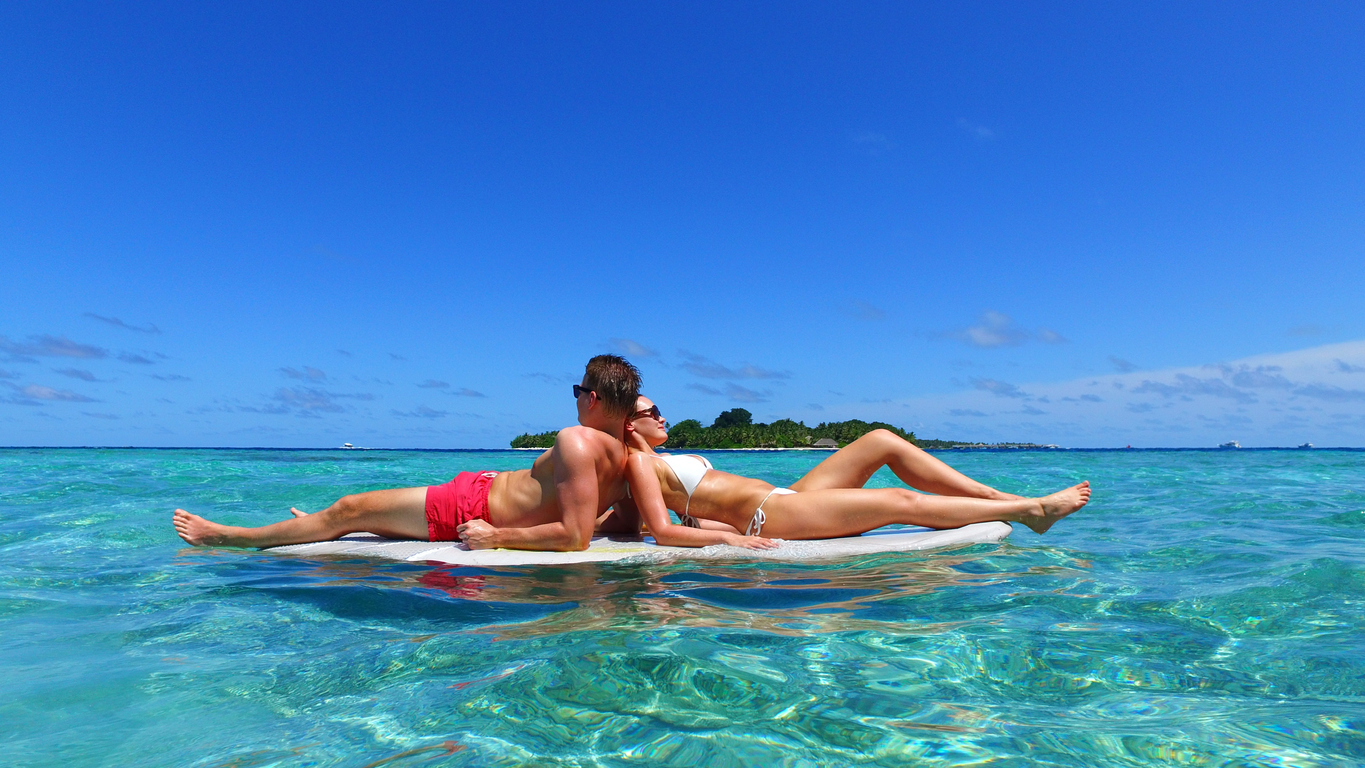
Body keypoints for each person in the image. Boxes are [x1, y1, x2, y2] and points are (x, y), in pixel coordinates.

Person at [172, 355, 641, 552]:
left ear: (594, 399)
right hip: (476, 492)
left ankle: (231, 537)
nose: (576, 398)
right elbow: (617, 523)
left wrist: (498, 537)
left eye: (578, 390)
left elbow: (575, 536)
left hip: (470, 506)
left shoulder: (576, 440)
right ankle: (312, 526)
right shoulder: (625, 455)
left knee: (349, 508)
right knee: (360, 517)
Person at [617, 395, 1090, 548]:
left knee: (880, 440)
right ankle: (1033, 510)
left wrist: (706, 521)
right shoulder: (638, 464)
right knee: (895, 502)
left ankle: (992, 495)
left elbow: (694, 513)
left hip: (785, 495)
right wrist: (732, 539)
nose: (661, 416)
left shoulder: (662, 460)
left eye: (659, 409)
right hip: (771, 514)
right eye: (649, 411)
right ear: (627, 422)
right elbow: (657, 529)